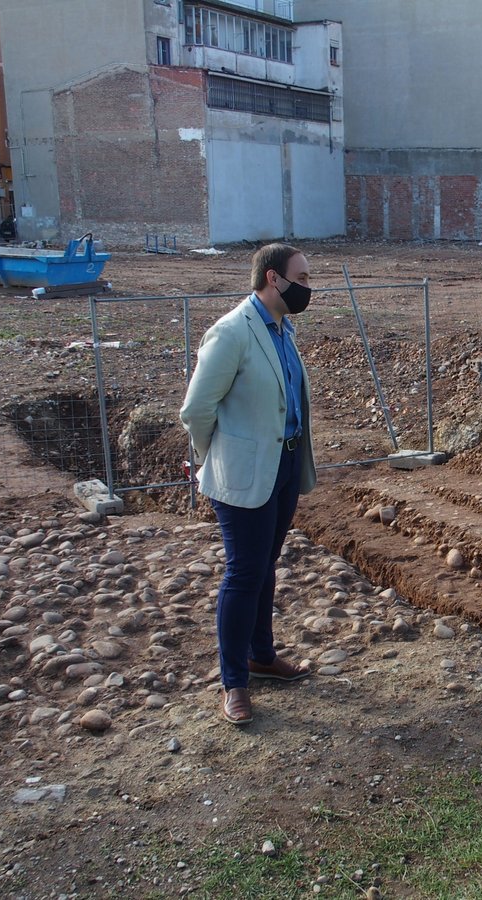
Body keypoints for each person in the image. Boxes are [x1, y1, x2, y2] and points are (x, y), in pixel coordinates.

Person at [180, 242, 318, 726]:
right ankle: (234, 681)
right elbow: (196, 410)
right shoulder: (231, 332)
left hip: (282, 466)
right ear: (273, 279)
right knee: (243, 574)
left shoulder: (282, 328)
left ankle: (262, 656)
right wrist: (215, 456)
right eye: (302, 277)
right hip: (243, 472)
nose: (308, 286)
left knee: (266, 567)